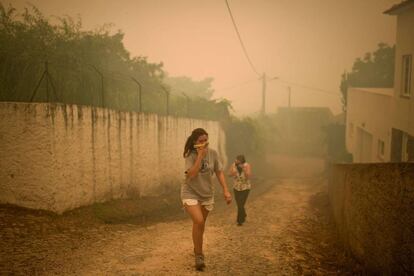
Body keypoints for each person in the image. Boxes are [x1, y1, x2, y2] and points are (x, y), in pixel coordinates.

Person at [182, 128, 232, 271]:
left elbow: (219, 172)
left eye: (206, 140)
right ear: (194, 142)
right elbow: (191, 174)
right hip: (190, 192)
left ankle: (197, 249)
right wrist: (199, 156)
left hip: (206, 194)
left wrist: (226, 190)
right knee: (198, 220)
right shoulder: (190, 155)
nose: (204, 143)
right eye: (201, 141)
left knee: (200, 225)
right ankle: (199, 255)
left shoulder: (213, 153)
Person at [229, 155, 251, 226]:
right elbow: (229, 174)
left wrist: (243, 169)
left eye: (238, 161)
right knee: (239, 204)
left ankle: (240, 220)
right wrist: (233, 172)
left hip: (245, 187)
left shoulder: (247, 165)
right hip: (236, 187)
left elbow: (248, 176)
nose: (237, 162)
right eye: (236, 160)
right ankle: (243, 214)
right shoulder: (233, 165)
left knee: (241, 204)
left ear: (242, 161)